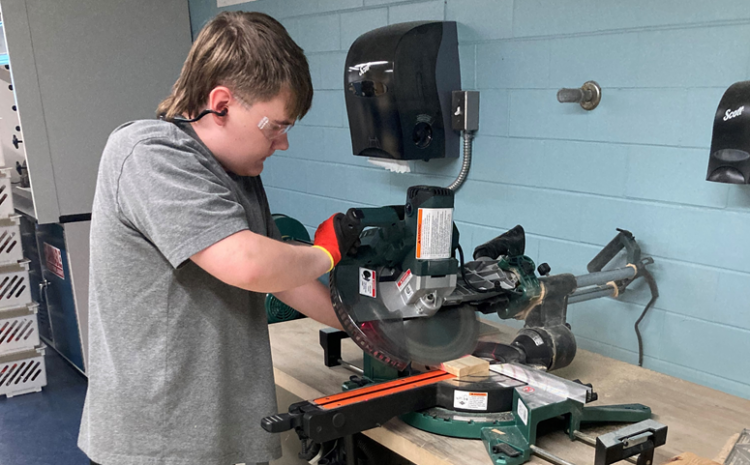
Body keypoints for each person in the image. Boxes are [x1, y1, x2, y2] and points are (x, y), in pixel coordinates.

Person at [78, 11, 359, 465]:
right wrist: (325, 252)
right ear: (222, 104)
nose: (283, 143)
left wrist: (365, 329)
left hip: (222, 433)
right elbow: (247, 263)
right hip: (158, 444)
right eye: (277, 126)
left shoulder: (238, 174)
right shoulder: (149, 154)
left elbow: (279, 278)